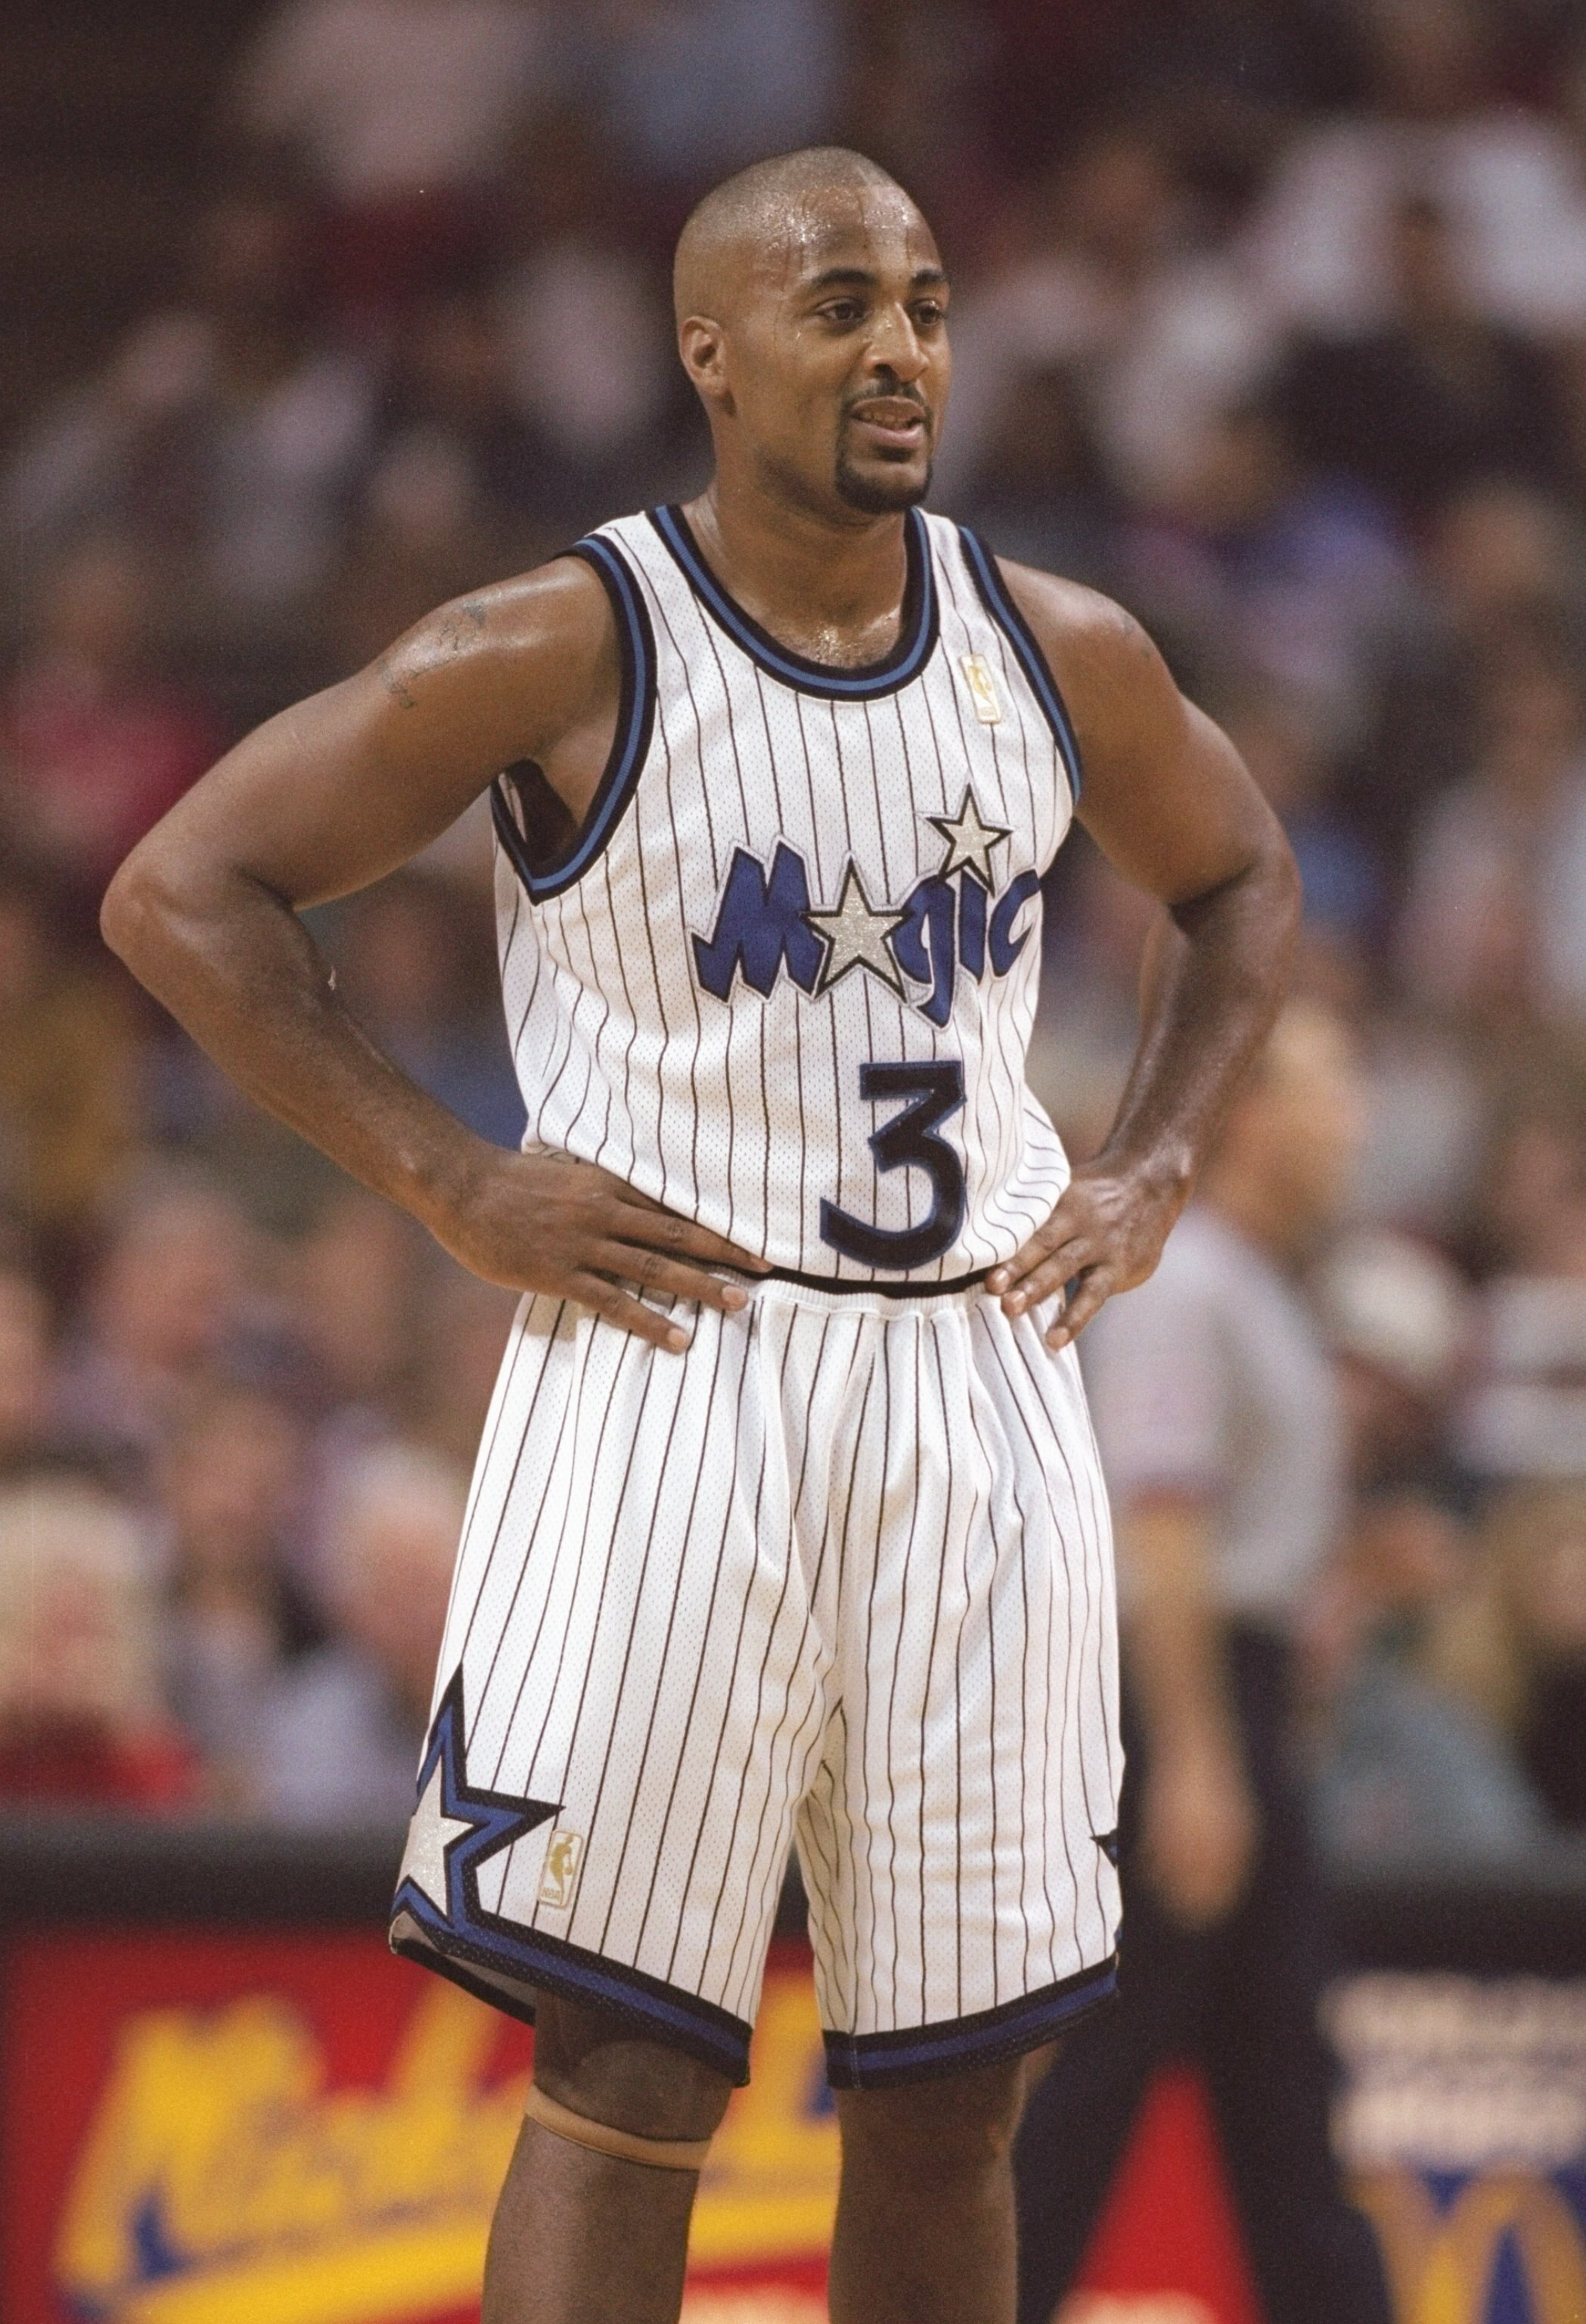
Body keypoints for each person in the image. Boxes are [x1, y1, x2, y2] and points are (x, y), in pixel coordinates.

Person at [102, 147, 1298, 2324]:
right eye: (842, 304)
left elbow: (1242, 884)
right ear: (711, 350)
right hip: (677, 1377)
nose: (903, 348)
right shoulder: (559, 641)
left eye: (928, 303)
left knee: (957, 2095)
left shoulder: (1060, 647)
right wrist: (445, 1175)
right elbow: (180, 890)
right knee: (632, 2064)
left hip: (977, 1383)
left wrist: (1148, 1166)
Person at [1013, 1000, 1392, 2324]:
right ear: (1245, 1112)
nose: (1354, 1117)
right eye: (1327, 1085)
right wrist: (1194, 1759)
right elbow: (1159, 1526)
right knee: (1090, 2091)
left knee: (1276, 2088)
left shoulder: (1250, 1280)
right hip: (1180, 1708)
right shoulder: (1185, 1282)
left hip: (1235, 1697)